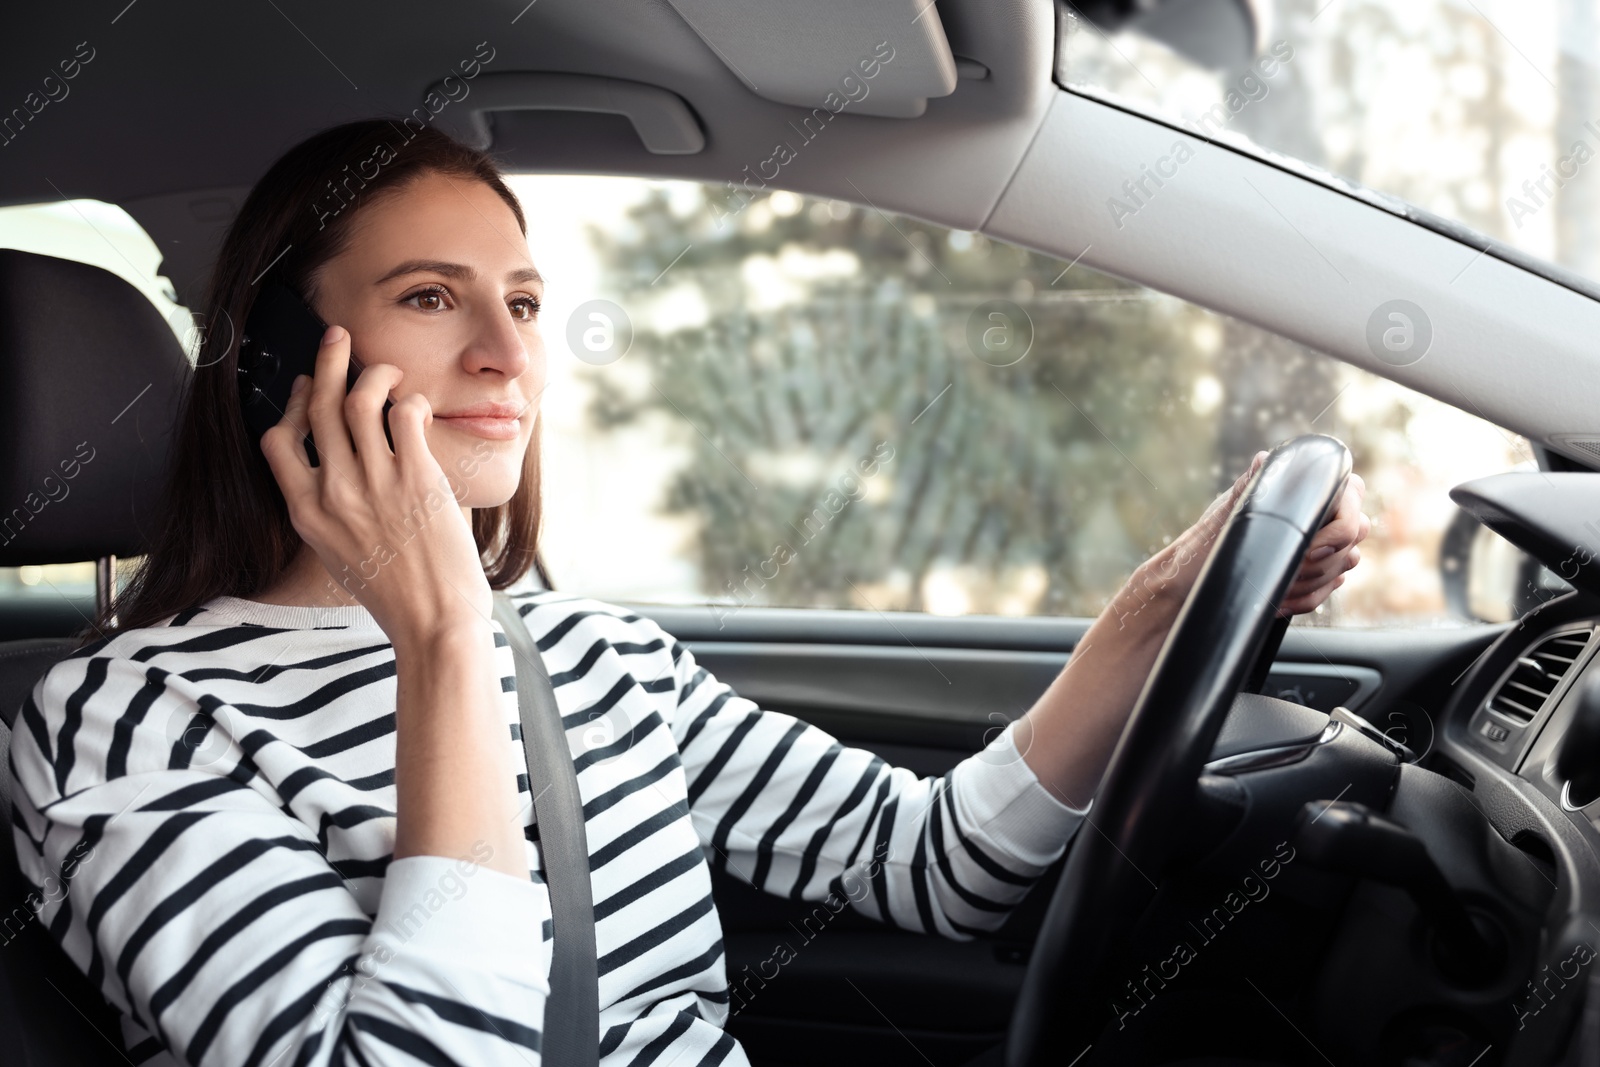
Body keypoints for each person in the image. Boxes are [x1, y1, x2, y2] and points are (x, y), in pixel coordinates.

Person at [7, 119, 1369, 1067]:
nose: (504, 355)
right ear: (281, 365)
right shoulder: (127, 722)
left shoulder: (598, 658)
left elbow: (938, 867)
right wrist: (437, 642)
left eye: (527, 304)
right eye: (433, 297)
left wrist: (1158, 599)